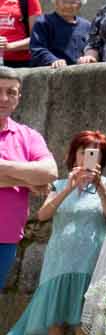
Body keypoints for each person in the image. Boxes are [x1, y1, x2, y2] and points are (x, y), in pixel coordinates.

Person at [0, 130, 106, 335]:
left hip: (90, 260)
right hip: (60, 260)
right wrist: (70, 187)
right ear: (74, 155)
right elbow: (43, 215)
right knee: (55, 319)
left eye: (96, 153)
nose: (89, 157)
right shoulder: (59, 184)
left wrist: (99, 186)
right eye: (84, 152)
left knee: (84, 319)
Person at [0, 70, 56, 290]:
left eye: (11, 92)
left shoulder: (28, 136)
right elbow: (38, 175)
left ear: (18, 97)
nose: (4, 98)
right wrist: (25, 179)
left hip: (6, 237)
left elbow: (50, 171)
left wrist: (4, 169)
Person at [26, 0, 89, 67]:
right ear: (55, 3)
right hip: (51, 74)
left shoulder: (86, 26)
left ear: (80, 5)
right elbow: (37, 48)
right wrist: (53, 60)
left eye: (73, 2)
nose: (68, 6)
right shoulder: (43, 22)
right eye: (63, 2)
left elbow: (91, 48)